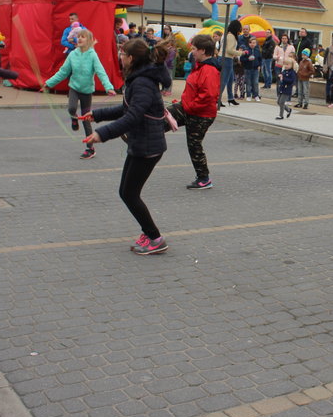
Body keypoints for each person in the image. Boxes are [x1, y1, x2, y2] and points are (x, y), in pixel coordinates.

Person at [81, 38, 169, 255]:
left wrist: (102, 134)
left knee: (129, 194)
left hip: (148, 147)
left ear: (130, 58)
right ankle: (149, 233)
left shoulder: (142, 83)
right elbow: (126, 108)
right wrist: (97, 115)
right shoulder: (138, 79)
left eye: (122, 54)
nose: (119, 57)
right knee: (127, 192)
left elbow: (133, 117)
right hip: (142, 143)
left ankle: (155, 238)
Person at [43, 28, 116, 160]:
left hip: (87, 91)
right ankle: (74, 119)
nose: (79, 39)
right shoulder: (72, 55)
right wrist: (49, 83)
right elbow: (63, 71)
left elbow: (101, 72)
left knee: (86, 119)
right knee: (71, 108)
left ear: (89, 40)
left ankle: (90, 148)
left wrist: (108, 87)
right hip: (74, 88)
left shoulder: (93, 55)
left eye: (83, 37)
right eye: (78, 36)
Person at [167, 34, 221, 190]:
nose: (192, 52)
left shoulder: (209, 70)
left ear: (203, 51)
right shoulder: (200, 66)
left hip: (201, 114)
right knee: (166, 116)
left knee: (194, 145)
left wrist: (189, 106)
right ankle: (138, 136)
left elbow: (208, 95)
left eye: (194, 49)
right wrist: (185, 102)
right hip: (191, 108)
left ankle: (204, 178)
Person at [219, 20, 241, 107]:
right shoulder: (231, 36)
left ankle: (230, 97)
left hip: (225, 58)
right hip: (227, 59)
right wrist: (240, 53)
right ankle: (217, 99)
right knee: (224, 80)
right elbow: (230, 50)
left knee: (230, 79)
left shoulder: (226, 35)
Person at [275, 53, 296, 120]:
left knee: (281, 102)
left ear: (291, 65)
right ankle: (288, 109)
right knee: (278, 102)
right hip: (282, 88)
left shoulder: (292, 72)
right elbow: (282, 76)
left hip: (287, 89)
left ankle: (281, 115)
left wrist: (283, 78)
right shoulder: (284, 71)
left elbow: (291, 81)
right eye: (285, 64)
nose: (286, 66)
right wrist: (280, 76)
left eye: (287, 64)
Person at [241, 36, 262, 101]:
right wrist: (247, 59)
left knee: (255, 82)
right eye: (251, 43)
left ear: (256, 43)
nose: (252, 44)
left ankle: (256, 95)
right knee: (248, 82)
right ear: (249, 43)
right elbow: (242, 59)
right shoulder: (246, 50)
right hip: (248, 69)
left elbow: (260, 59)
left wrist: (259, 65)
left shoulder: (257, 50)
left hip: (255, 69)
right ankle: (248, 95)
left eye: (254, 43)